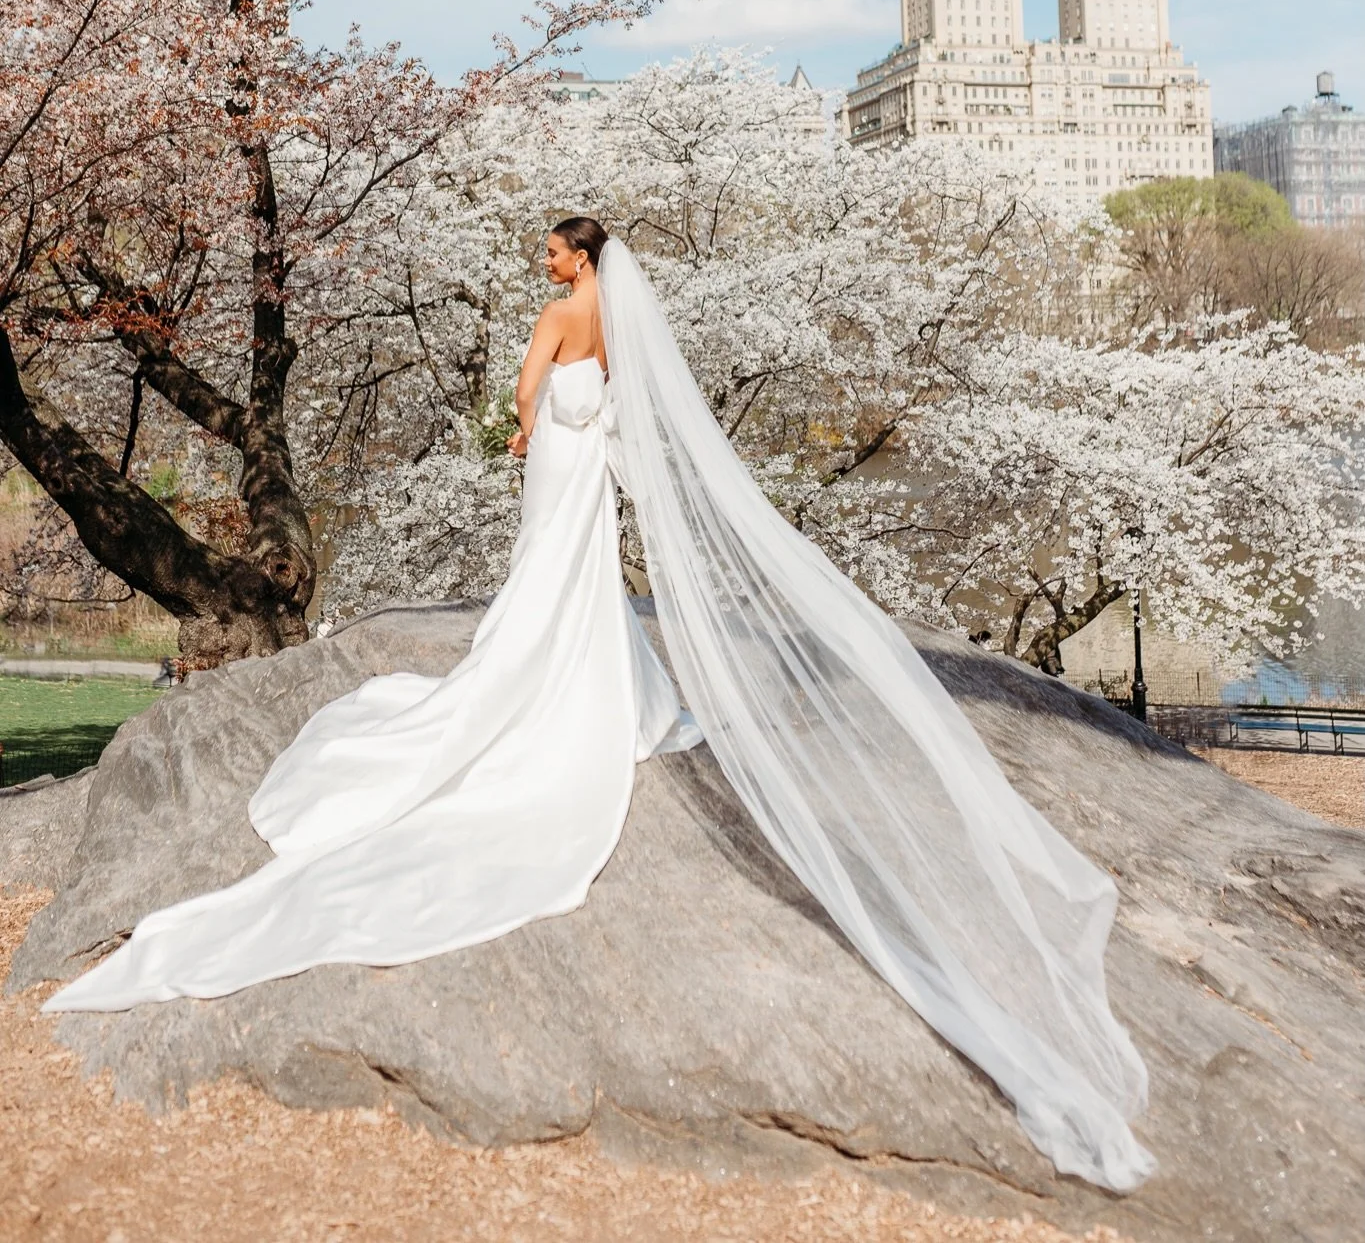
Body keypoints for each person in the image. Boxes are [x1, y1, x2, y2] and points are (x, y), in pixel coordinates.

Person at [45, 219, 1154, 1193]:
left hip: (555, 469)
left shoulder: (553, 314)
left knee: (542, 578)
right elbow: (624, 404)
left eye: (552, 249)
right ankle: (594, 676)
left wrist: (527, 429)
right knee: (581, 580)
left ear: (576, 257)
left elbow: (524, 396)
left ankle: (523, 683)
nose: (543, 261)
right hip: (592, 474)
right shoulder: (619, 321)